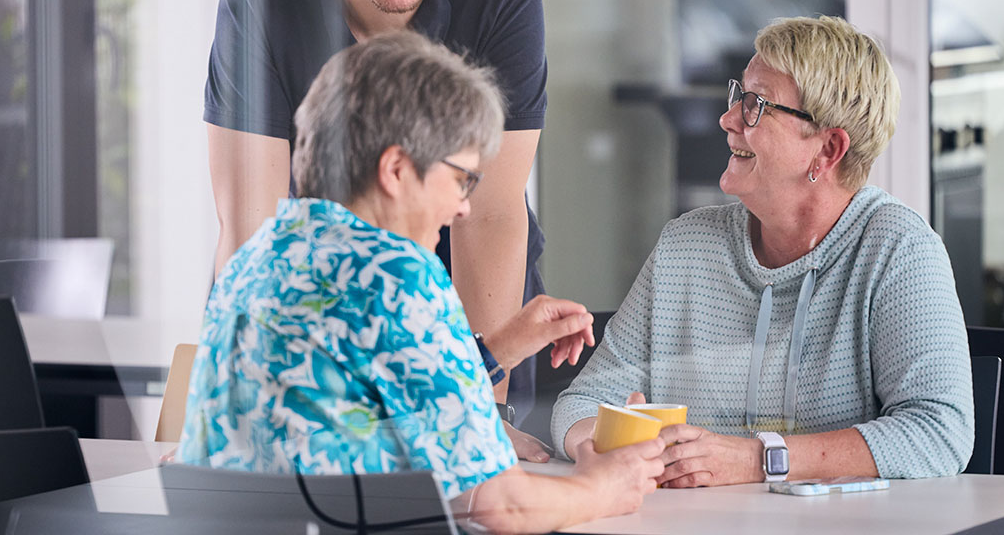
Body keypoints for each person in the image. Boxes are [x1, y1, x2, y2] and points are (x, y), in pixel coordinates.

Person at [179, 32, 667, 532]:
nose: (463, 207)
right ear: (396, 169)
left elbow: (350, 405)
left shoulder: (258, 253)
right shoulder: (397, 275)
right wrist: (604, 485)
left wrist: (494, 351)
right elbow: (499, 504)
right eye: (461, 179)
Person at [203, 0, 547, 430]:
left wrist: (481, 415)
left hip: (454, 302)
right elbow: (251, 224)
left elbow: (491, 213)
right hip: (312, 302)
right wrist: (242, 405)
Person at [552, 15, 974, 486]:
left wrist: (759, 459)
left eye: (756, 105)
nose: (728, 119)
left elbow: (939, 433)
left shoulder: (897, 251)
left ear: (828, 148)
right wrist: (611, 448)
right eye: (739, 97)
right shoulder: (683, 248)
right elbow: (581, 404)